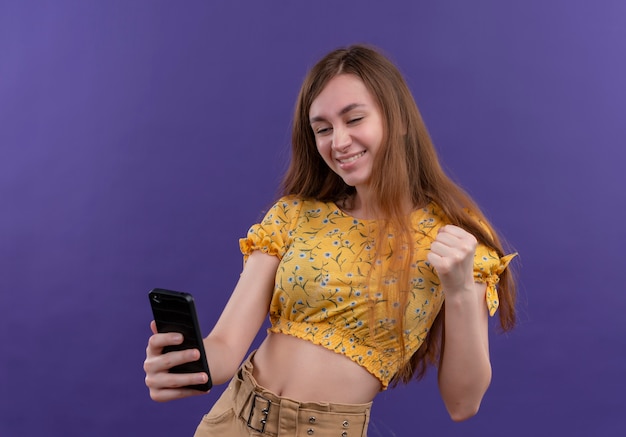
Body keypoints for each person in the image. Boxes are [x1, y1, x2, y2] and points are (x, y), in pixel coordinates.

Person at [143, 44, 517, 436]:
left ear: (400, 120)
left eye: (354, 119)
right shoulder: (294, 215)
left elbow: (463, 403)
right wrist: (187, 364)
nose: (338, 142)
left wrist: (458, 291)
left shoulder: (453, 240)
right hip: (233, 421)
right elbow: (224, 347)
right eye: (323, 129)